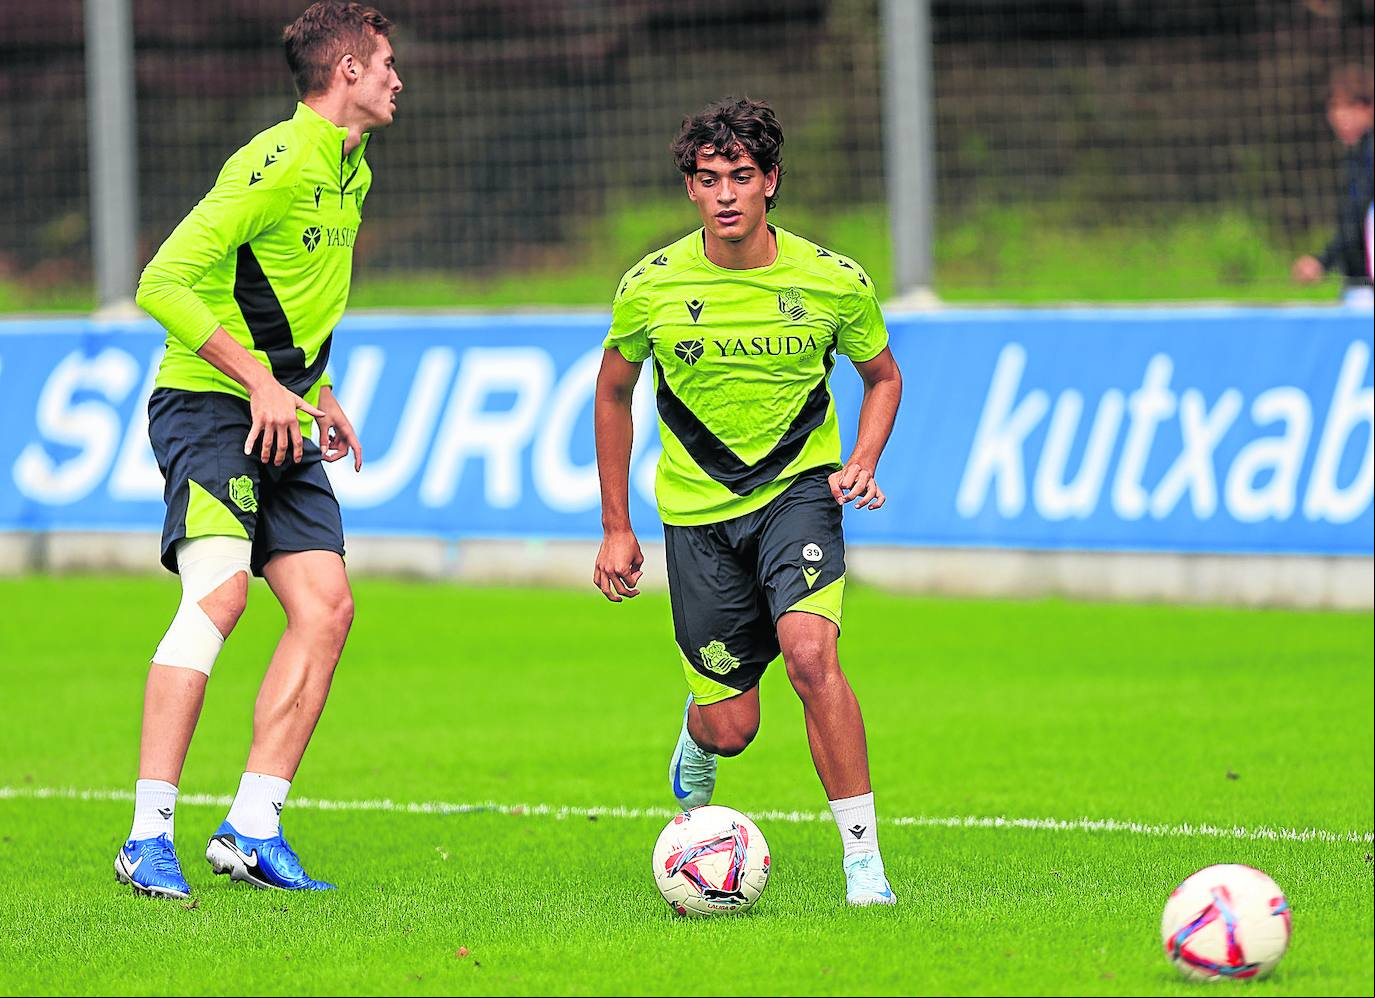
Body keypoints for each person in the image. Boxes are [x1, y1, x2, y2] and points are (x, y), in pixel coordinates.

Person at [116, 1, 402, 898]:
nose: (398, 77)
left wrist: (315, 391)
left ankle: (250, 826)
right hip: (208, 405)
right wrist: (261, 383)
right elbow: (161, 279)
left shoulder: (353, 170)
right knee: (222, 592)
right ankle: (145, 836)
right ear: (347, 71)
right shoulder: (276, 162)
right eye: (386, 62)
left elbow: (287, 293)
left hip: (280, 408)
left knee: (326, 607)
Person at [593, 97, 904, 906]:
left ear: (770, 181)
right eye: (707, 179)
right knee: (732, 728)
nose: (725, 193)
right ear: (690, 190)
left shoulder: (833, 281)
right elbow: (613, 392)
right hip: (695, 518)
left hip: (799, 493)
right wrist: (617, 527)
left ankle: (863, 866)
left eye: (740, 176)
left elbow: (881, 377)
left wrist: (862, 459)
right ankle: (696, 742)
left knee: (810, 654)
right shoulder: (649, 287)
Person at [1292, 65, 1374, 305]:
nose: (1340, 116)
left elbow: (1357, 221)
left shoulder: (1369, 156)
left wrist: (1322, 261)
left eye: (1350, 106)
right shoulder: (1356, 156)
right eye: (1334, 107)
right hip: (1358, 284)